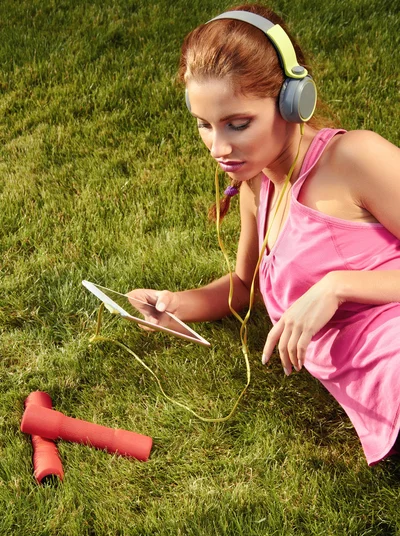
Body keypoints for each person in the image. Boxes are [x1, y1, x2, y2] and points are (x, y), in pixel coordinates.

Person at [128, 4, 400, 466]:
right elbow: (244, 285)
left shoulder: (355, 158)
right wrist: (176, 305)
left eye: (238, 124)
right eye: (204, 125)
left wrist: (336, 286)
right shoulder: (258, 184)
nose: (219, 148)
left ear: (294, 100)